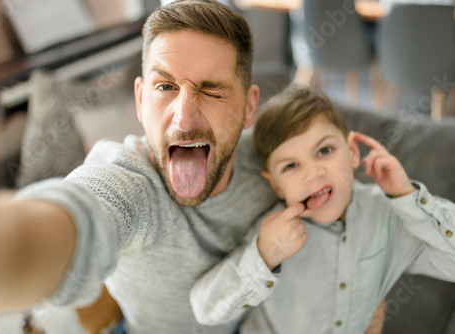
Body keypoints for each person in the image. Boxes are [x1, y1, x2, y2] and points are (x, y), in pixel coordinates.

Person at [0, 1, 279, 333]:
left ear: (250, 107)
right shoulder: (130, 185)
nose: (184, 118)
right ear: (140, 101)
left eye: (211, 91)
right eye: (165, 87)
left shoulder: (275, 161)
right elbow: (57, 227)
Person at [190, 85, 455, 333]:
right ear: (277, 187)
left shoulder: (391, 216)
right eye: (291, 166)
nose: (313, 173)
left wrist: (407, 196)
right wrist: (264, 256)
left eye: (324, 150)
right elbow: (205, 309)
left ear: (352, 152)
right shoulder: (273, 233)